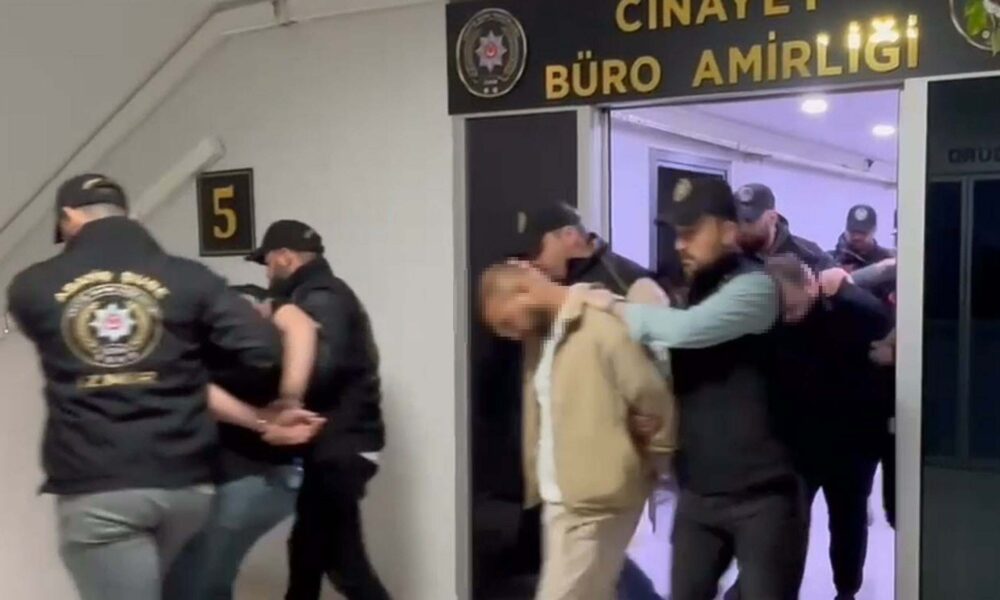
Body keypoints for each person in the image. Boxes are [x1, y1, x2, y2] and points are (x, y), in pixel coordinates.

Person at [7, 174, 284, 600]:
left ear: (67, 219)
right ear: (131, 216)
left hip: (97, 487)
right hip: (187, 487)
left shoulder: (32, 286)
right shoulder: (190, 278)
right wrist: (180, 366)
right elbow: (263, 349)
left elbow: (44, 328)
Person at [586, 178, 808, 600]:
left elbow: (686, 331)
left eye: (690, 233)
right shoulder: (693, 290)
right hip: (700, 494)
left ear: (728, 230)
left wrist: (613, 306)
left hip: (763, 499)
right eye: (676, 234)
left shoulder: (756, 287)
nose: (679, 245)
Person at [479, 263, 677, 600]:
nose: (511, 334)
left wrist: (654, 459)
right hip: (560, 497)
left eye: (508, 323)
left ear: (524, 292)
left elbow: (651, 398)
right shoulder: (540, 341)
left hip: (598, 499)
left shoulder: (601, 326)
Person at [246, 219, 390, 600]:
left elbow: (321, 369)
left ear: (284, 257)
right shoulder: (319, 294)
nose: (267, 272)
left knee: (342, 564)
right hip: (337, 445)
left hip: (339, 447)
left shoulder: (321, 297)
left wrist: (270, 386)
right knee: (310, 555)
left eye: (267, 262)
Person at [164, 284, 327, 600]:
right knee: (208, 581)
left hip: (242, 478)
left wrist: (265, 420)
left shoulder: (193, 333)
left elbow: (197, 391)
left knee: (191, 588)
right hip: (280, 476)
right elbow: (301, 325)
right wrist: (290, 400)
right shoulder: (254, 305)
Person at [765, 255, 892, 600]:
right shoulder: (771, 320)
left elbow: (890, 371)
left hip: (854, 440)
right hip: (799, 442)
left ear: (811, 285)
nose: (787, 317)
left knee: (848, 520)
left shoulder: (859, 313)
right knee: (787, 522)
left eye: (792, 308)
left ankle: (846, 590)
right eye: (780, 311)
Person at [518, 202, 652, 294]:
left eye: (538, 249)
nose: (532, 262)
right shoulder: (562, 281)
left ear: (569, 235)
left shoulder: (617, 283)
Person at [734, 183, 836, 272]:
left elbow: (837, 281)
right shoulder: (731, 255)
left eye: (749, 220)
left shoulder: (809, 257)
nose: (743, 227)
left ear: (772, 218)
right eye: (737, 220)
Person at [830, 204, 895, 272]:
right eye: (853, 232)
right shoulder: (830, 261)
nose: (857, 237)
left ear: (874, 230)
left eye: (863, 233)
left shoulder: (888, 261)